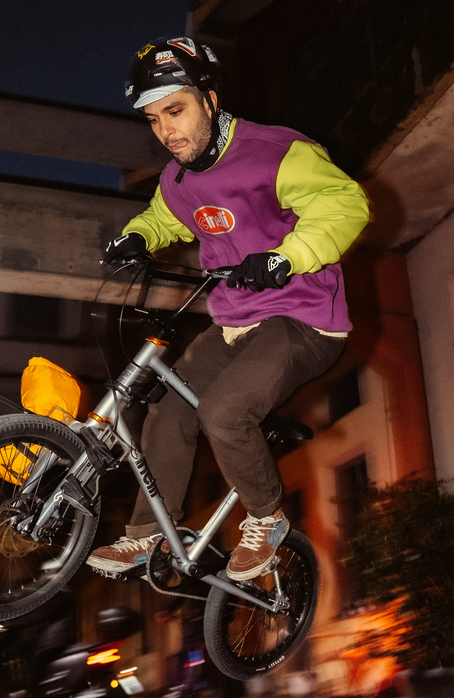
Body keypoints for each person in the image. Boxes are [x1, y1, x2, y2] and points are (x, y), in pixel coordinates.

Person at [86, 35, 370, 582]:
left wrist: (287, 257)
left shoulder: (278, 152)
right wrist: (139, 236)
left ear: (210, 99)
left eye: (175, 110)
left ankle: (266, 518)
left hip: (303, 318)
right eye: (153, 119)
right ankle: (148, 533)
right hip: (234, 322)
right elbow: (164, 218)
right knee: (168, 409)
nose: (166, 131)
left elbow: (344, 204)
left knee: (222, 413)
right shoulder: (178, 177)